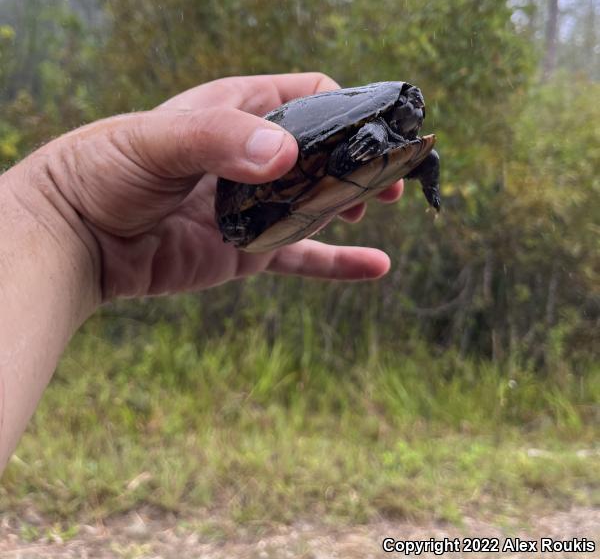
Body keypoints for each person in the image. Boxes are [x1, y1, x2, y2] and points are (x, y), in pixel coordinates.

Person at [0, 73, 403, 473]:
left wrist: (64, 214)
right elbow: (346, 153)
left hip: (284, 197)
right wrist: (66, 208)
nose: (414, 111)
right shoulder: (359, 131)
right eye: (406, 107)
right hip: (273, 190)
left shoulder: (394, 133)